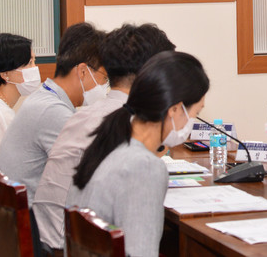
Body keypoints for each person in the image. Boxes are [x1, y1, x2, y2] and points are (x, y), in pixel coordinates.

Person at [34, 23, 175, 252]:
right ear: (153, 76)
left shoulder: (85, 114)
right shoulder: (126, 120)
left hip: (51, 236)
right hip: (70, 244)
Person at [68, 50, 208, 257]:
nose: (192, 121)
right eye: (196, 112)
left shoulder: (109, 139)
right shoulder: (144, 166)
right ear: (175, 109)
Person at [0, 22, 107, 205]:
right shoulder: (53, 111)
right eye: (104, 78)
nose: (104, 86)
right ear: (82, 71)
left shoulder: (44, 97)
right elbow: (88, 175)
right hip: (33, 217)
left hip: (18, 211)